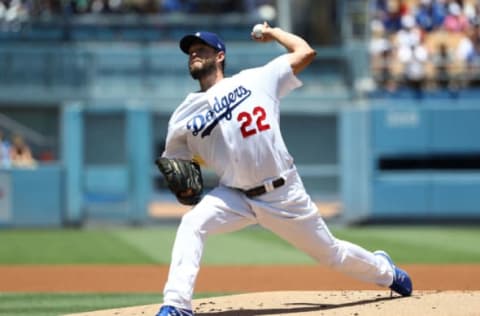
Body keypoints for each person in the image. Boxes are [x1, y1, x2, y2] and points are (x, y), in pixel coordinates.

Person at [156, 23, 413, 316]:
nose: (194, 55)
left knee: (332, 255)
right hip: (233, 195)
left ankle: (386, 271)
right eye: (190, 52)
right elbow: (176, 166)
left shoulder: (257, 79)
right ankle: (176, 305)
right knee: (192, 223)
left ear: (220, 56)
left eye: (201, 50)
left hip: (282, 192)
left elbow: (306, 52)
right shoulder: (183, 114)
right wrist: (183, 188)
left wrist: (273, 32)